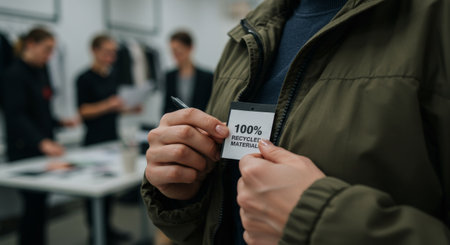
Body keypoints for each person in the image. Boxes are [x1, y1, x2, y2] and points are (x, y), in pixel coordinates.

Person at [141, 0, 450, 244]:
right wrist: (185, 189)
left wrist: (320, 223)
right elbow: (217, 224)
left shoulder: (435, 24)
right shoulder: (245, 36)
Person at [1, 27, 77, 245]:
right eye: (47, 49)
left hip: (43, 149)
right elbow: (16, 116)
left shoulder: (41, 72)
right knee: (33, 206)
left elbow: (40, 111)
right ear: (31, 44)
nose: (50, 55)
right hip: (25, 150)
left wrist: (59, 122)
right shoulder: (13, 74)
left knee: (39, 205)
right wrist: (40, 141)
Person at [76, 34, 137, 244]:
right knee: (93, 189)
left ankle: (107, 229)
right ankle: (95, 234)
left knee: (110, 188)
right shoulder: (83, 78)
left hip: (112, 138)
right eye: (107, 52)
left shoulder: (112, 77)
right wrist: (108, 105)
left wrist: (130, 108)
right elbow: (83, 111)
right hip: (93, 140)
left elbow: (115, 108)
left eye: (113, 53)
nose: (111, 57)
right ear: (94, 50)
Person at [163, 30, 213, 113]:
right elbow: (167, 106)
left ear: (190, 48)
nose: (175, 55)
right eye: (173, 51)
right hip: (176, 124)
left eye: (178, 51)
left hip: (200, 123)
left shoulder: (207, 77)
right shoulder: (169, 76)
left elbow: (209, 106)